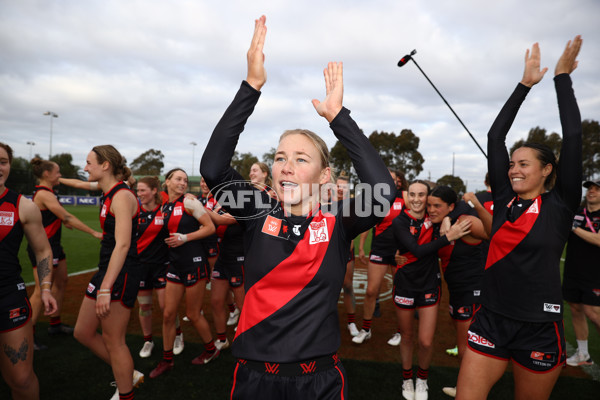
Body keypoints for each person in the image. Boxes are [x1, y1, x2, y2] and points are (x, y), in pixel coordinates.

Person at [200, 15, 395, 399]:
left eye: (302, 159)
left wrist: (339, 118)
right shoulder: (256, 210)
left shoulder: (337, 220)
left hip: (318, 380)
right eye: (280, 156)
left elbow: (382, 191)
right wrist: (251, 87)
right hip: (255, 378)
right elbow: (213, 168)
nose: (286, 165)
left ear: (324, 177)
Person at [456, 37, 583, 400]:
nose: (513, 169)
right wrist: (524, 84)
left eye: (523, 164)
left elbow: (573, 136)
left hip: (539, 328)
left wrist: (562, 78)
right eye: (511, 164)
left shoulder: (559, 205)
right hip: (491, 320)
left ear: (546, 170)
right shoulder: (503, 199)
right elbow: (496, 136)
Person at [72, 145, 143, 400]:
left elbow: (123, 244)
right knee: (82, 331)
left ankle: (126, 391)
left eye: (89, 162)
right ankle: (128, 373)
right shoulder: (110, 193)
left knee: (115, 341)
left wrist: (105, 288)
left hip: (121, 273)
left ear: (105, 166)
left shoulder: (122, 196)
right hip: (107, 270)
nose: (85, 167)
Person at [392, 181, 471, 400]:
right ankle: (407, 379)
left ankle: (422, 380)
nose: (417, 199)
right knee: (407, 336)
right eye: (413, 194)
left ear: (428, 198)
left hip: (429, 284)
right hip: (405, 284)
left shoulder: (434, 217)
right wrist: (448, 237)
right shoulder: (400, 221)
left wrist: (446, 219)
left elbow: (462, 205)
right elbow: (416, 250)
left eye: (422, 195)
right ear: (407, 196)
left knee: (426, 341)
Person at [0, 142, 57, 400]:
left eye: (3, 161)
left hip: (8, 295)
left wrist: (45, 288)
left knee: (21, 379)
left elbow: (43, 251)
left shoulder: (22, 205)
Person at [149, 168, 217, 378]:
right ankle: (167, 360)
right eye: (178, 179)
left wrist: (185, 238)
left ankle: (211, 349)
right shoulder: (165, 206)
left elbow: (210, 228)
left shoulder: (189, 202)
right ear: (167, 182)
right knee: (169, 314)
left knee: (193, 314)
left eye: (185, 180)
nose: (182, 182)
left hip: (194, 262)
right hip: (175, 264)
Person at [27, 157, 102, 345]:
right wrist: (93, 232)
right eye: (57, 172)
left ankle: (55, 324)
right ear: (46, 174)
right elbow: (66, 216)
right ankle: (27, 335)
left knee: (61, 282)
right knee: (39, 292)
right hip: (42, 249)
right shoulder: (44, 193)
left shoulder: (49, 192)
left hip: (55, 247)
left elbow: (52, 215)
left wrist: (59, 221)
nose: (60, 175)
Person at [426, 186, 487, 399]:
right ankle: (467, 388)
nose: (431, 210)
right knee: (466, 346)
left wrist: (453, 217)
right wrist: (447, 217)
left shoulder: (464, 221)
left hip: (472, 291)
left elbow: (491, 231)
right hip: (459, 290)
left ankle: (469, 392)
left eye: (437, 206)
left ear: (451, 206)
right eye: (429, 205)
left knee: (468, 348)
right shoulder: (444, 219)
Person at [135, 176, 185, 359]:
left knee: (166, 307)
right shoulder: (135, 211)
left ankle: (178, 334)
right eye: (138, 191)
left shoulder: (164, 210)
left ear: (154, 191)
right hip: (141, 266)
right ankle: (148, 340)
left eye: (143, 190)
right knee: (144, 306)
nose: (139, 194)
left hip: (163, 266)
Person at [354, 169, 406, 345]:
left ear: (399, 182)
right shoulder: (377, 199)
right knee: (371, 291)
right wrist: (361, 248)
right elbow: (367, 225)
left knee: (399, 292)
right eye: (387, 179)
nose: (391, 182)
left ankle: (401, 332)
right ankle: (366, 329)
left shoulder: (405, 197)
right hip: (380, 249)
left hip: (400, 251)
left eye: (394, 179)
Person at [563, 179, 600, 367]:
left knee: (594, 313)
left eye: (596, 189)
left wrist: (574, 228)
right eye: (590, 188)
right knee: (576, 309)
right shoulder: (577, 213)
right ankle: (583, 354)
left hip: (595, 274)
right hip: (573, 270)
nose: (591, 192)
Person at [208, 204, 246, 351]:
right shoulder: (220, 207)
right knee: (216, 302)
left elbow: (219, 221)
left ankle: (249, 339)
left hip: (238, 260)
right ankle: (222, 339)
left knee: (243, 305)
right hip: (222, 260)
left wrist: (199, 207)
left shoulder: (243, 208)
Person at [335, 173, 359, 336]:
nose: (340, 189)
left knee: (348, 285)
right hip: (326, 252)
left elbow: (353, 233)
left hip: (345, 251)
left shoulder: (351, 206)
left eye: (344, 187)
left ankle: (351, 322)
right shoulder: (324, 203)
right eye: (338, 186)